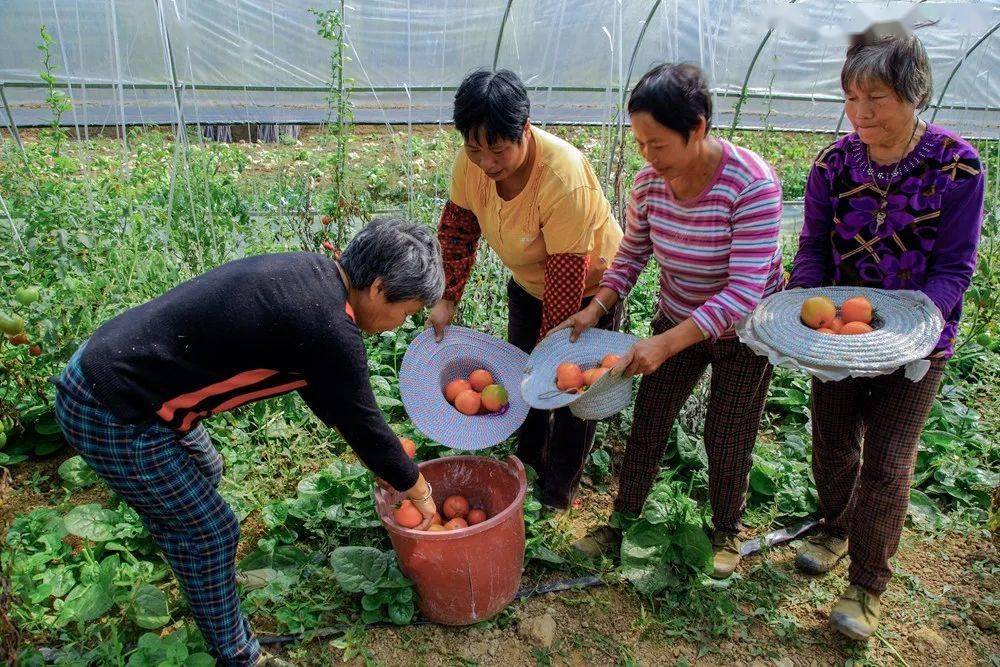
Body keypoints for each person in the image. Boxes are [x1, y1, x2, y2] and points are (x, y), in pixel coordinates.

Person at [53, 218, 444, 666]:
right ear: (378, 288)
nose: (399, 325)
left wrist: (382, 456)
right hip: (111, 407)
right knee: (213, 530)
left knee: (205, 470)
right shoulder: (329, 327)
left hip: (117, 372)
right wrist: (418, 489)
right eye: (407, 312)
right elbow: (362, 421)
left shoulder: (314, 279)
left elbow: (331, 396)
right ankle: (238, 655)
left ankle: (195, 563)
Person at [787, 30, 985, 640]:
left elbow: (956, 267)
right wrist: (805, 310)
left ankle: (867, 584)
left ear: (914, 92)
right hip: (839, 340)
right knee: (831, 443)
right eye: (851, 98)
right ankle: (834, 526)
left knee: (889, 463)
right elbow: (814, 247)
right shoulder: (833, 164)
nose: (861, 113)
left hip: (918, 345)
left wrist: (910, 322)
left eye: (876, 97)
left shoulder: (956, 167)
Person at [562, 63, 784, 580]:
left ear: (698, 128)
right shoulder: (649, 185)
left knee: (728, 431)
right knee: (651, 418)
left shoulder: (752, 184)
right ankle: (623, 520)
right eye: (640, 143)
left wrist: (665, 344)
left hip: (743, 332)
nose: (647, 156)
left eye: (657, 144)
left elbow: (745, 291)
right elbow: (632, 254)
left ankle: (727, 529)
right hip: (678, 313)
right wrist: (596, 306)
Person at [427, 68, 623, 509]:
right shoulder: (471, 163)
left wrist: (552, 353)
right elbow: (458, 233)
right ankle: (526, 462)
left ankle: (557, 490)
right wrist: (446, 298)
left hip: (588, 292)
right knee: (522, 376)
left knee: (572, 388)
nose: (486, 162)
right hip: (529, 284)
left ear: (525, 130)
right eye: (474, 149)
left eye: (497, 149)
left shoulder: (562, 177)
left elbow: (567, 275)